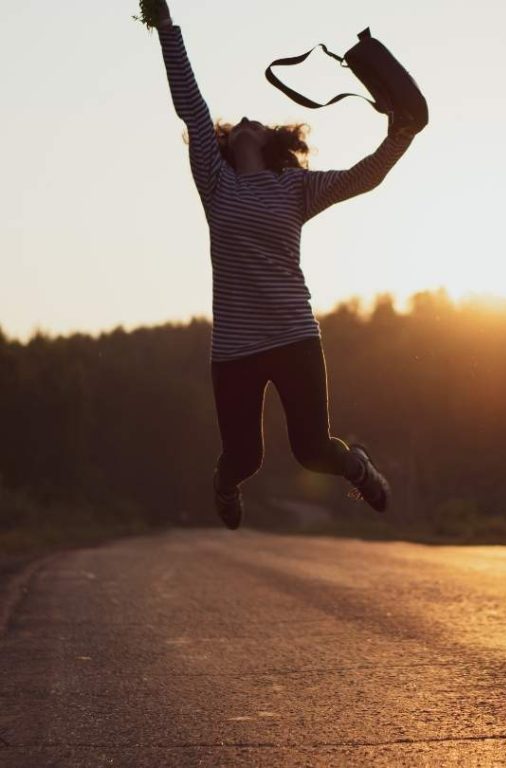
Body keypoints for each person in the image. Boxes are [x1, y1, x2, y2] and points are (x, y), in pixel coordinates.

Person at [149, 2, 417, 529]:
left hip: (294, 335)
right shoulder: (216, 183)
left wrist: (400, 135)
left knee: (313, 450)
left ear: (270, 141)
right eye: (238, 122)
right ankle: (224, 485)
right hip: (235, 349)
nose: (247, 119)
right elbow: (192, 107)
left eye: (257, 120)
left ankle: (358, 469)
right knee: (244, 459)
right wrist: (164, 26)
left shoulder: (294, 189)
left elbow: (363, 176)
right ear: (226, 143)